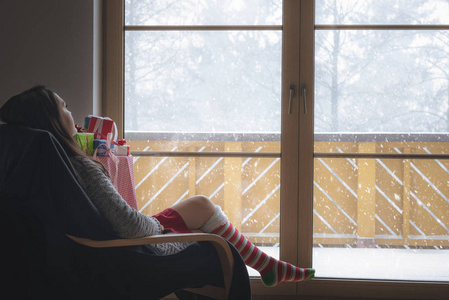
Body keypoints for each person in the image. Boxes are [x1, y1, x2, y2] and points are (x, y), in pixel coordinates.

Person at [0, 86, 314, 288]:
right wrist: (159, 228)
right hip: (134, 251)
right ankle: (265, 265)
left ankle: (266, 266)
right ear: (51, 119)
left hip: (116, 243)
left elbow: (114, 220)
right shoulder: (80, 166)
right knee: (215, 235)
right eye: (64, 108)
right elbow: (129, 225)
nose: (71, 113)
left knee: (201, 204)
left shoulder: (47, 170)